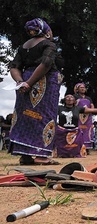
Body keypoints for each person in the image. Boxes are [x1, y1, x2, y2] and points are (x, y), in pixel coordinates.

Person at [9, 18, 63, 165]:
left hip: (25, 82)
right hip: (43, 82)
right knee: (45, 116)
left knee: (25, 117)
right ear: (45, 30)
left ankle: (25, 155)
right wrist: (30, 82)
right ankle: (41, 156)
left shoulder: (23, 47)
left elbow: (14, 66)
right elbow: (46, 64)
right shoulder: (49, 45)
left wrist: (21, 82)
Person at [73, 83, 95, 155]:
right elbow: (73, 106)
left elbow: (92, 106)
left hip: (88, 117)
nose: (83, 89)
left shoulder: (88, 98)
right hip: (78, 117)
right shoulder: (75, 97)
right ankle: (78, 148)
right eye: (81, 87)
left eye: (84, 87)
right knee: (79, 131)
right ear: (77, 89)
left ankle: (87, 149)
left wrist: (91, 110)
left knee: (88, 132)